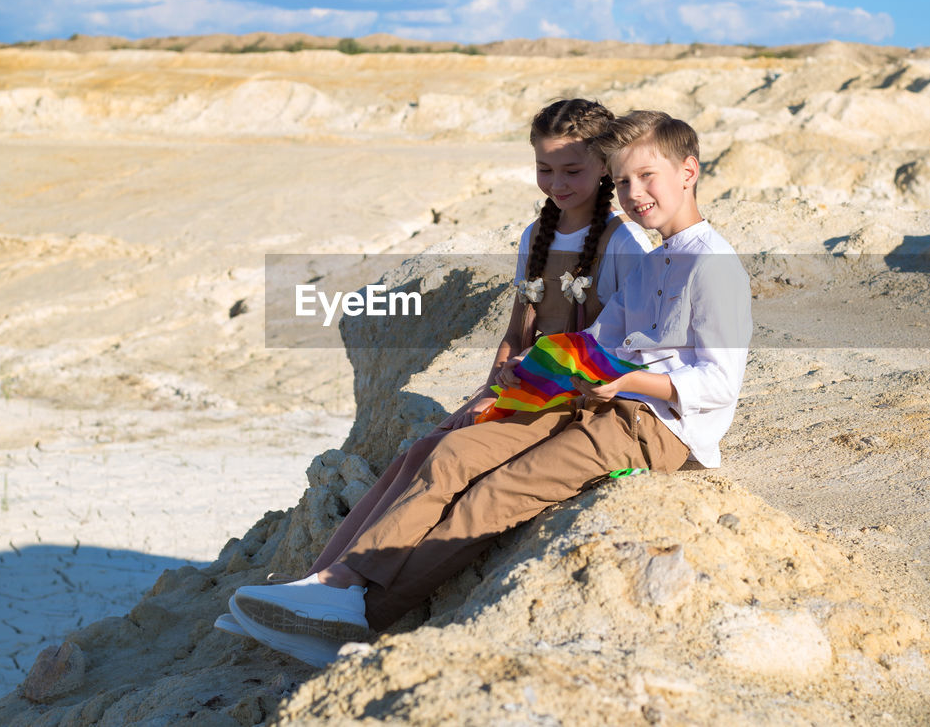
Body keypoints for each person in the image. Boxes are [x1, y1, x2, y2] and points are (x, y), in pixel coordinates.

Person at [227, 110, 751, 666]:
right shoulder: (653, 262)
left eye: (647, 177)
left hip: (658, 427)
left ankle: (358, 620)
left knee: (495, 494)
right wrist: (522, 379)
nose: (634, 193)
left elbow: (719, 383)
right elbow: (598, 341)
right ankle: (330, 589)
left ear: (689, 171)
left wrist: (625, 379)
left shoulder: (712, 263)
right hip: (598, 397)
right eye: (624, 181)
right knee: (450, 451)